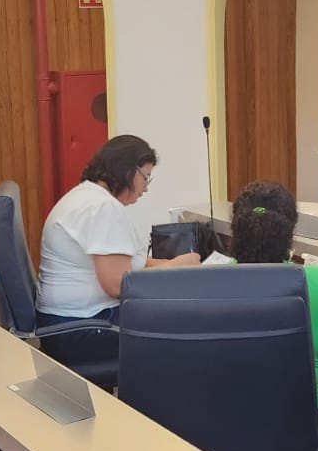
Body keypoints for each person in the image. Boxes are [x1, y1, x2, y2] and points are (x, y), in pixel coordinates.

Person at [228, 180, 318, 403]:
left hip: (226, 426)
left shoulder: (210, 283)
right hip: (308, 429)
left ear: (235, 229)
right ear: (291, 231)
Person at [36, 134, 199, 328]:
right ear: (128, 170)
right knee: (186, 318)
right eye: (145, 178)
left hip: (64, 320)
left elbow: (121, 263)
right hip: (83, 324)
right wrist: (177, 267)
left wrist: (168, 264)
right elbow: (118, 284)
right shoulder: (103, 208)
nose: (146, 188)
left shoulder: (88, 196)